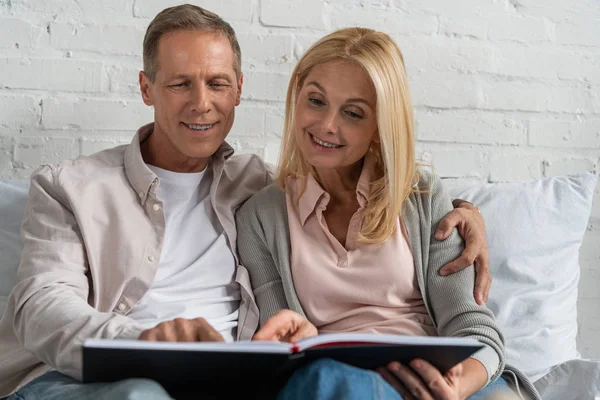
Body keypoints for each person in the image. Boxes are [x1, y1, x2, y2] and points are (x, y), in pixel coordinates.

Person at [0, 5, 491, 400]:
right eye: (178, 84)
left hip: (226, 383)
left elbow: (374, 184)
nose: (201, 103)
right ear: (146, 87)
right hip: (94, 381)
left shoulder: (255, 187)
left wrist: (465, 212)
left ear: (238, 91)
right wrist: (136, 340)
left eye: (217, 83)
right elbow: (39, 304)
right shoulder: (70, 186)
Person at [235, 27, 541, 400]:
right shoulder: (260, 216)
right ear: (297, 95)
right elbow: (281, 342)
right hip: (339, 383)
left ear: (380, 126)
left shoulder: (420, 197)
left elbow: (475, 330)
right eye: (316, 100)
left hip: (443, 382)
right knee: (324, 381)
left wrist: (453, 389)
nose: (327, 125)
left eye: (352, 113)